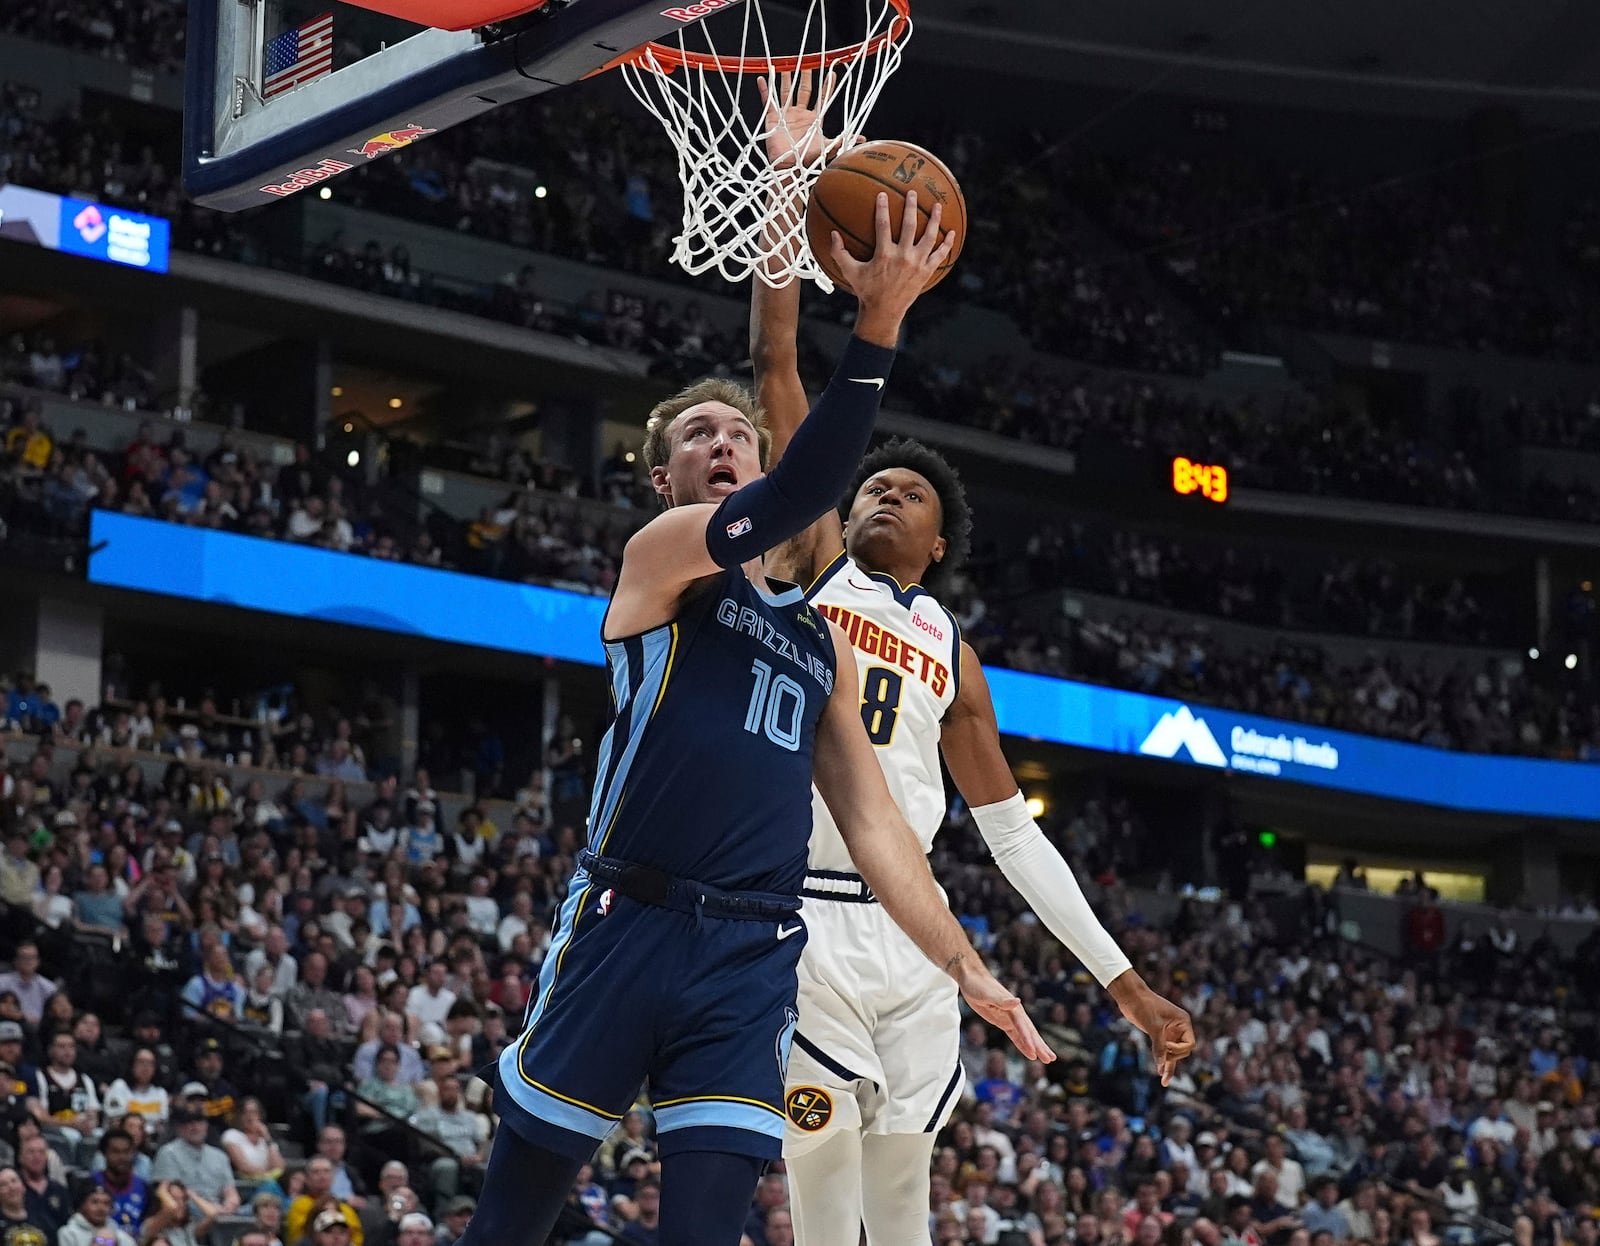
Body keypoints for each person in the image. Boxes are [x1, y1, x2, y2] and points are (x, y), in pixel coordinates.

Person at [460, 181, 1043, 1246]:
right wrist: (876, 321)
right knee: (509, 1225)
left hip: (750, 952)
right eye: (699, 434)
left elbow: (877, 829)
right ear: (663, 476)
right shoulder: (659, 562)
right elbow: (788, 470)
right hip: (627, 919)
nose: (724, 441)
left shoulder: (820, 643)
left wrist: (962, 964)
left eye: (740, 432)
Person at [747, 72, 1195, 1246]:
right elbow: (777, 366)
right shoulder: (811, 559)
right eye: (872, 484)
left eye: (908, 492)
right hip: (798, 915)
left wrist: (1120, 980)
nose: (883, 493)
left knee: (903, 1200)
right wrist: (789, 190)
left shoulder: (951, 647)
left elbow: (1012, 837)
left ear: (938, 544)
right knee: (820, 1177)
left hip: (917, 932)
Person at [91, 1127, 151, 1235]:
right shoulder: (90, 1184)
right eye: (115, 1152)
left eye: (126, 1152)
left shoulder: (143, 1187)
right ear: (104, 1154)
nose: (122, 1157)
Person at [55, 1184, 137, 1246]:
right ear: (83, 1205)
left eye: (106, 1203)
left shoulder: (123, 1237)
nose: (101, 1208)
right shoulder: (68, 1234)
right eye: (94, 1202)